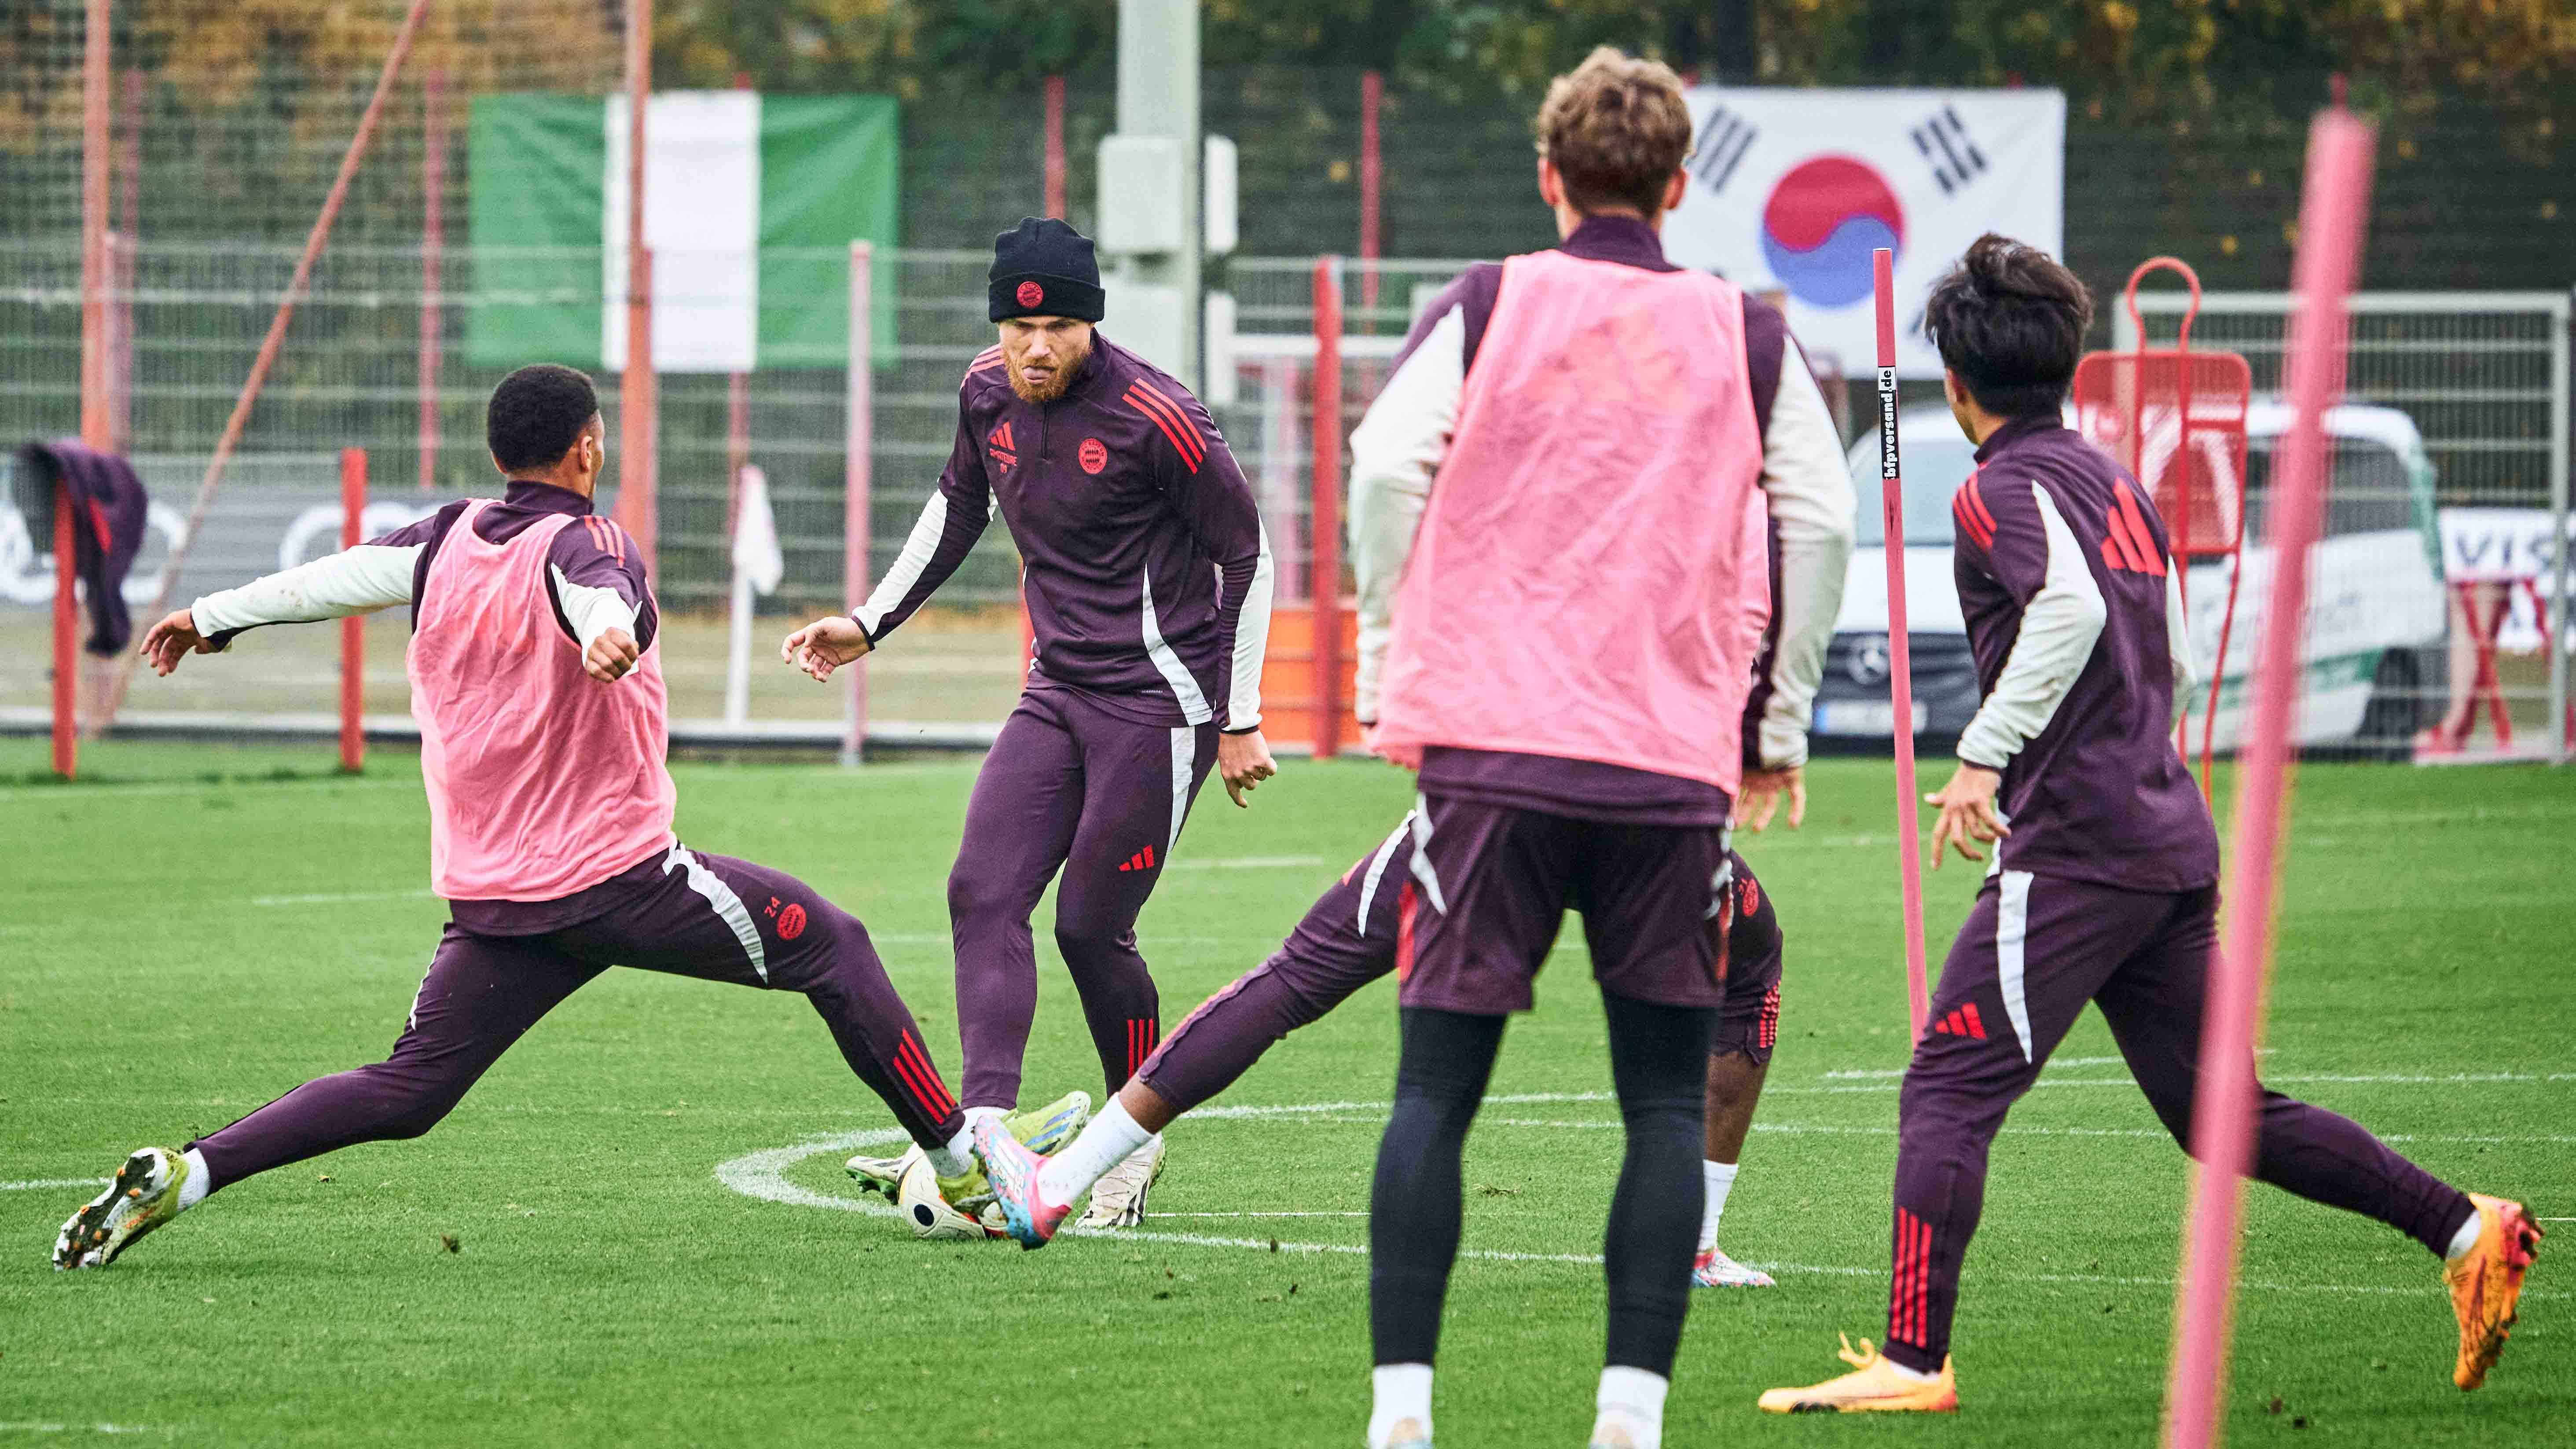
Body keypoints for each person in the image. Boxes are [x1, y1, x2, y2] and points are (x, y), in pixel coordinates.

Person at [52, 365, 1078, 1271]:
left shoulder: (445, 535)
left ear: (500, 454)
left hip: (497, 897)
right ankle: (958, 1163)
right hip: (622, 881)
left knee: (409, 1090)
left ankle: (187, 1175)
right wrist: (606, 632)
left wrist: (214, 615)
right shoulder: (590, 539)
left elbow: (334, 578)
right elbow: (597, 591)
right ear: (589, 447)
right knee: (835, 948)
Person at [1758, 236, 2541, 1413]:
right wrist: (2131, 757)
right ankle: (2461, 1226)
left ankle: (1911, 1361)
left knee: (1944, 1089)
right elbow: (2167, 641)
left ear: (1955, 384)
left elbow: (2068, 608)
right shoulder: (2109, 479)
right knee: (2221, 1116)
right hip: (2161, 836)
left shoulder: (1991, 488)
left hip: (2076, 853)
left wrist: (1983, 755)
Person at [1306, 48, 1855, 1449]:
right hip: (1665, 761)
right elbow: (1825, 519)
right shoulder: (1748, 331)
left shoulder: (1488, 300)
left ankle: (1400, 1419)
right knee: (1663, 1099)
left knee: (1433, 1088)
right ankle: (1626, 1419)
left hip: (1485, 751)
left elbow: (1379, 466)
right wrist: (1772, 727)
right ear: (1677, 190)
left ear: (1549, 179)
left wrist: (1387, 660)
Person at [783, 218, 1277, 1229]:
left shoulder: (1158, 416)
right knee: (980, 888)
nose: (1034, 348)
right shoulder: (983, 392)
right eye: (1017, 328)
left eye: (1055, 326)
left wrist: (1240, 715)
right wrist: (869, 622)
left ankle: (1130, 1153)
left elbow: (1248, 555)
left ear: (1090, 324)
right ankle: (987, 1134)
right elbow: (957, 505)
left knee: (1092, 928)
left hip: (1162, 702)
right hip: (1057, 689)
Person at [979, 818, 1791, 1294]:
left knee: (1297, 980)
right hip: (1640, 815)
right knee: (1745, 970)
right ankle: (1689, 1244)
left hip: (1488, 800)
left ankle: (1057, 1180)